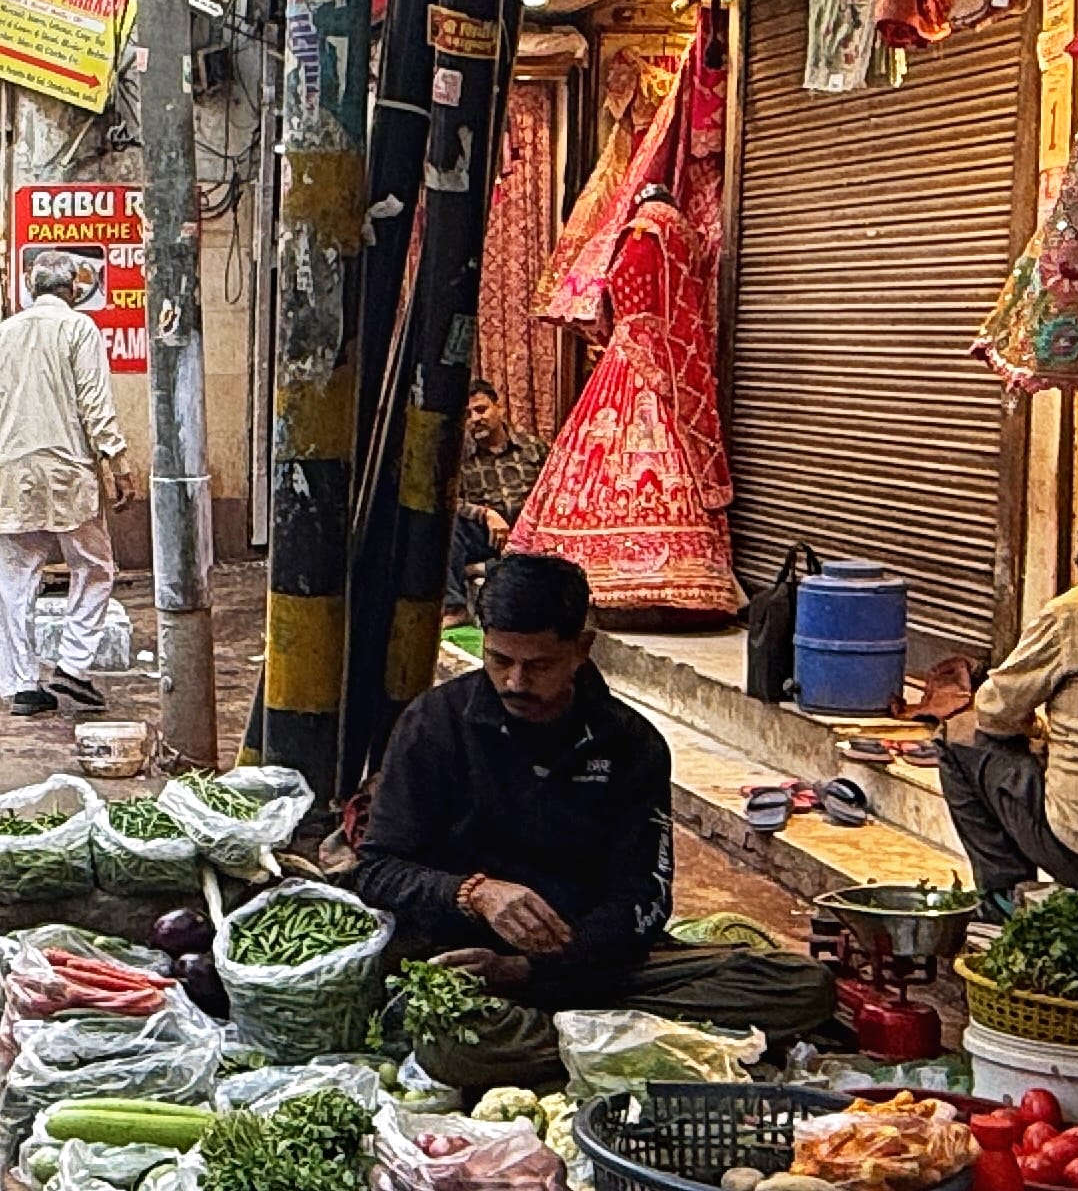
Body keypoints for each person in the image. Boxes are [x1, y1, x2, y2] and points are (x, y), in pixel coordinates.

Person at [354, 554, 835, 1031]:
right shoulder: (433, 724)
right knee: (454, 1035)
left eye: (538, 665)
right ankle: (598, 1036)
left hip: (585, 968)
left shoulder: (631, 744)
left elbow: (642, 902)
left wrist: (532, 971)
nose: (515, 682)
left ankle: (571, 1035)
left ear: (582, 648)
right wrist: (473, 893)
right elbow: (377, 869)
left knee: (800, 986)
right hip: (465, 964)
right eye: (499, 660)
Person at [505, 181, 745, 617]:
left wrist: (614, 331)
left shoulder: (640, 232)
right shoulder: (685, 238)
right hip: (671, 356)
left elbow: (617, 295)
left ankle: (599, 569)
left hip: (632, 353)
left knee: (599, 457)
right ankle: (688, 572)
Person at [913, 484, 1078, 914]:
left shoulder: (1075, 613)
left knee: (957, 735)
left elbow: (993, 712)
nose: (1076, 558)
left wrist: (1032, 732)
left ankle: (1002, 898)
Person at [0, 254, 131, 717]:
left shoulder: (4, 332)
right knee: (94, 566)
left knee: (13, 580)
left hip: (13, 469)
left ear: (32, 288)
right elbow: (95, 402)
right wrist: (117, 461)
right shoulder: (79, 329)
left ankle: (22, 686)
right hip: (67, 468)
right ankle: (72, 664)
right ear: (73, 289)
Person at [444, 378, 544, 607]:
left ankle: (480, 569)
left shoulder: (533, 448)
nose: (475, 419)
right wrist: (485, 514)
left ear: (500, 408)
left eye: (481, 410)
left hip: (529, 534)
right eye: (468, 415)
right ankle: (454, 606)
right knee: (448, 525)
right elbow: (448, 501)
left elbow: (554, 488)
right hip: (487, 537)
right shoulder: (458, 458)